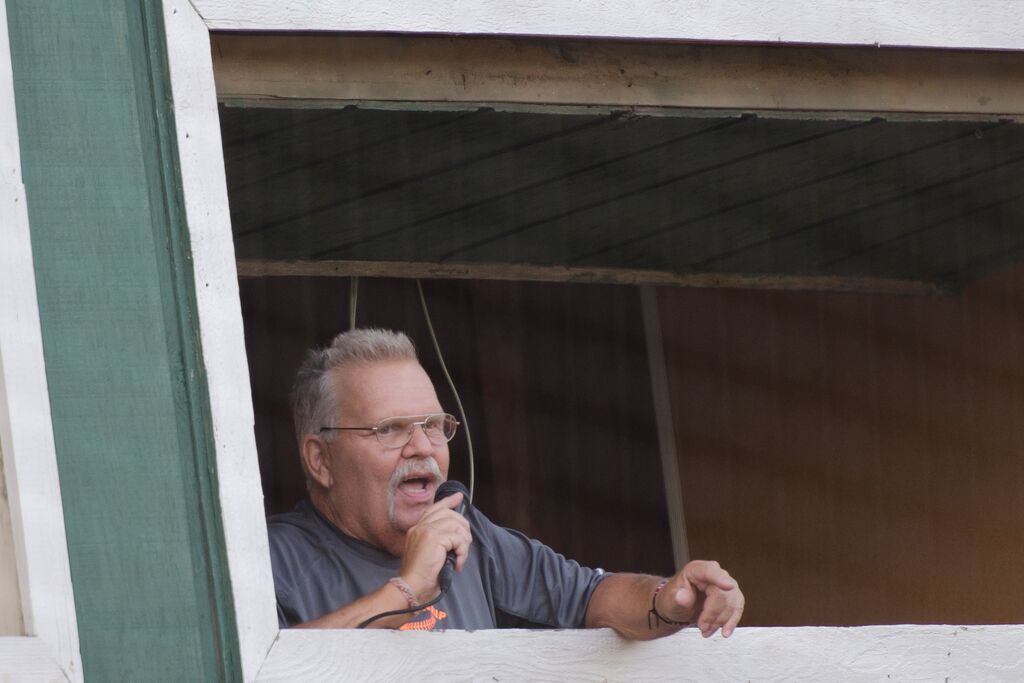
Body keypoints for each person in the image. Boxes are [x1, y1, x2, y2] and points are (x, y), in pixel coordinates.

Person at [268, 328, 744, 638]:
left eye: (435, 425)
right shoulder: (272, 561)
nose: (422, 447)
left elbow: (590, 597)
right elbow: (261, 669)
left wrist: (671, 599)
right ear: (320, 460)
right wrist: (406, 591)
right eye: (390, 429)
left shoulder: (467, 531)